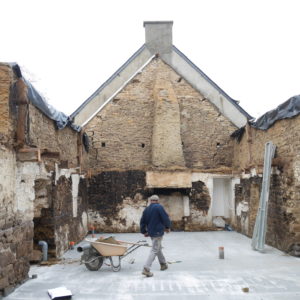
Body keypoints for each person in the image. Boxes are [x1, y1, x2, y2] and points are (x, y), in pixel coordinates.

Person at [140, 194, 171, 277]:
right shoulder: (159, 207)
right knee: (154, 249)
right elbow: (165, 218)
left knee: (158, 248)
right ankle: (146, 269)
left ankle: (163, 264)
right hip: (158, 232)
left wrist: (144, 231)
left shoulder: (146, 209)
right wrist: (167, 227)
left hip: (151, 232)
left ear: (150, 201)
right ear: (157, 201)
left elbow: (142, 221)